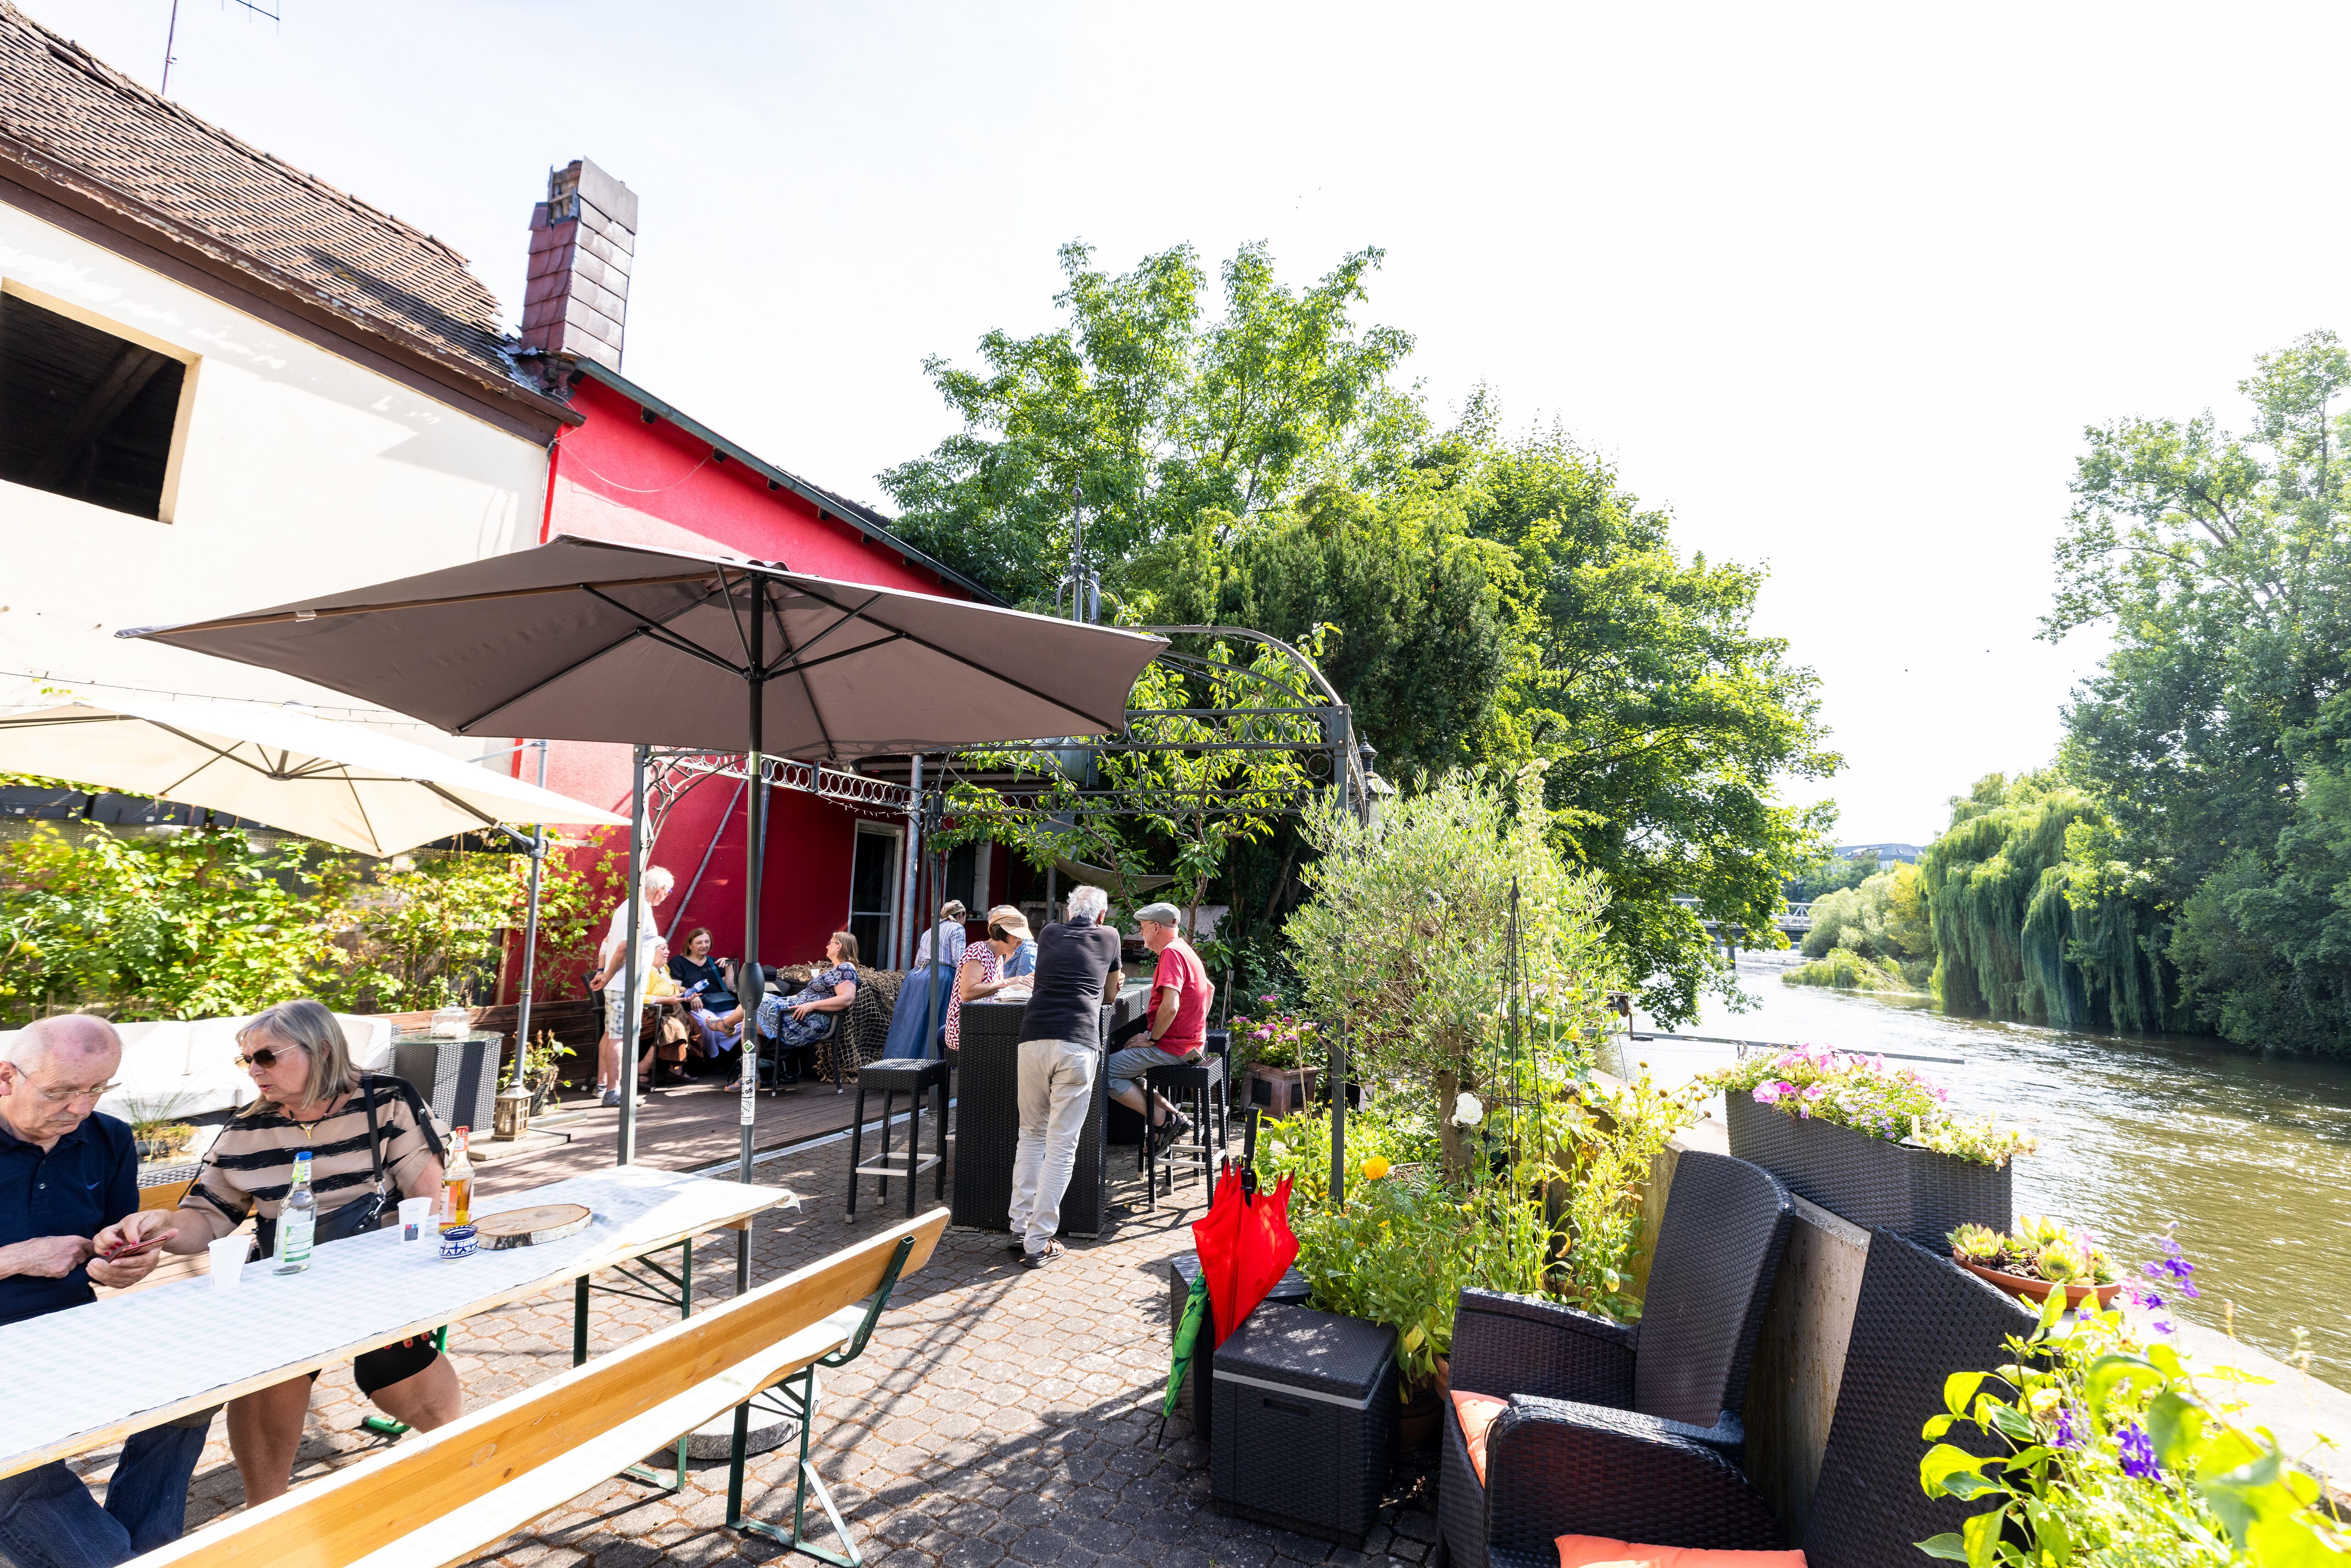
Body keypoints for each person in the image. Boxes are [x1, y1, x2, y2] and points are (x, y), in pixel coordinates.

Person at [137, 1000, 459, 1506]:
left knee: (393, 1370)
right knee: (267, 1370)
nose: (254, 1070)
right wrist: (159, 1228)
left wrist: (411, 1286)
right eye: (247, 1059)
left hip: (378, 1279)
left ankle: (466, 1464)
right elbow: (208, 1218)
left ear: (322, 1050)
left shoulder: (387, 1100)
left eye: (267, 1056)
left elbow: (429, 1198)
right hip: (286, 1285)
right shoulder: (246, 1129)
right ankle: (267, 1515)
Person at [0, 1016, 205, 1567]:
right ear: (6, 1077)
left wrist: (123, 1256)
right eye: (62, 1091)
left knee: (196, 1389)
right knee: (29, 1477)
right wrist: (16, 1258)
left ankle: (138, 1553)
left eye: (98, 1088)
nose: (81, 1108)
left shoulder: (108, 1137)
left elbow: (105, 1242)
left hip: (72, 1328)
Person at [1006, 886, 1121, 1269]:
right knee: (1061, 1146)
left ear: (1070, 912)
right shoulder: (1109, 936)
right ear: (1101, 915)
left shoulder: (1050, 932)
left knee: (1030, 1134)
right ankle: (1038, 1242)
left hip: (1033, 1038)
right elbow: (1108, 995)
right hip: (1077, 1043)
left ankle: (1019, 1227)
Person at [1106, 902, 1210, 1148]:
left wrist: (1152, 1037)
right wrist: (1194, 1025)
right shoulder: (1184, 948)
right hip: (1190, 1045)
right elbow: (1210, 988)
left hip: (1173, 1048)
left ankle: (1163, 1121)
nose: (1141, 933)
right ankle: (1174, 1117)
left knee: (1104, 1073)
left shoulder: (1171, 953)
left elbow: (1171, 1006)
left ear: (1155, 928)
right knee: (1128, 1072)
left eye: (1142, 928)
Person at [588, 865, 674, 1106]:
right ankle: (615, 1093)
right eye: (669, 891)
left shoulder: (626, 906)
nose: (668, 895)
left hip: (619, 984)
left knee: (611, 1034)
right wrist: (606, 976)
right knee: (621, 1037)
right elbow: (624, 948)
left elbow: (606, 941)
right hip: (626, 985)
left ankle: (603, 1086)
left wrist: (601, 971)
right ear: (660, 888)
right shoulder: (641, 910)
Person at [755, 933, 860, 1087]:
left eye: (830, 943)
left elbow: (847, 999)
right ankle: (751, 1074)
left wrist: (811, 1005)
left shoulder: (846, 969)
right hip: (799, 1013)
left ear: (839, 947)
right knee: (748, 1021)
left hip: (807, 1021)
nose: (827, 946)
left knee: (754, 1001)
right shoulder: (839, 969)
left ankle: (725, 1025)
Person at [881, 900, 967, 1059]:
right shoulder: (957, 928)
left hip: (917, 976)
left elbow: (919, 958)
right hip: (941, 976)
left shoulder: (930, 929)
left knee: (912, 1020)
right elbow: (959, 958)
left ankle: (902, 1059)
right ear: (961, 914)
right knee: (938, 1020)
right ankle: (932, 1060)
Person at [944, 912, 1028, 1054]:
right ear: (1003, 933)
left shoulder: (998, 957)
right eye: (1018, 937)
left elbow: (995, 992)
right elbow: (967, 993)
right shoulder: (978, 950)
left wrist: (1023, 984)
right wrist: (1007, 982)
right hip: (964, 1029)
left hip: (984, 1025)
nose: (1020, 943)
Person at [667, 927, 745, 1066]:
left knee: (745, 1020)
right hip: (697, 1008)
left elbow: (729, 987)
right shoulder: (678, 962)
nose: (704, 946)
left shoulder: (714, 962)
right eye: (699, 943)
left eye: (707, 942)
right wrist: (691, 993)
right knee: (712, 1023)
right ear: (689, 945)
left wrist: (729, 967)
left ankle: (718, 1049)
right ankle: (714, 1058)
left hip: (720, 1006)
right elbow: (675, 987)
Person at [990, 905, 1039, 979]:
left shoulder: (1028, 950)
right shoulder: (999, 948)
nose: (1020, 943)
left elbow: (1023, 985)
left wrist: (1005, 983)